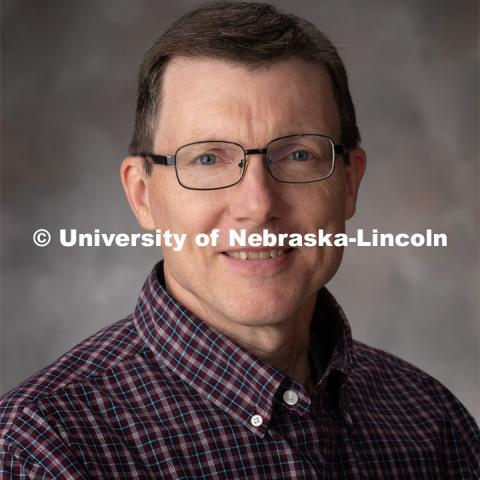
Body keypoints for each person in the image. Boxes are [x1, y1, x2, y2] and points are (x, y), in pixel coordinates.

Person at [1, 2, 478, 478]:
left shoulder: (431, 423)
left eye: (297, 154)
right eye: (208, 159)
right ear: (142, 195)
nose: (257, 204)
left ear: (349, 183)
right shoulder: (42, 446)